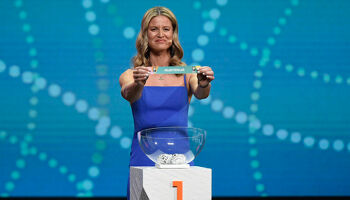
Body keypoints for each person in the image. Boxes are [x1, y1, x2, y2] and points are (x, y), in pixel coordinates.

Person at [118, 6, 214, 198]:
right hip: (143, 158)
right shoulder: (130, 75)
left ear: (173, 34)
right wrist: (139, 82)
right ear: (145, 34)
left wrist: (204, 83)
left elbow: (201, 93)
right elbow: (129, 94)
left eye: (166, 29)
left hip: (182, 160)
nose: (160, 34)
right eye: (154, 29)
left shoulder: (188, 73)